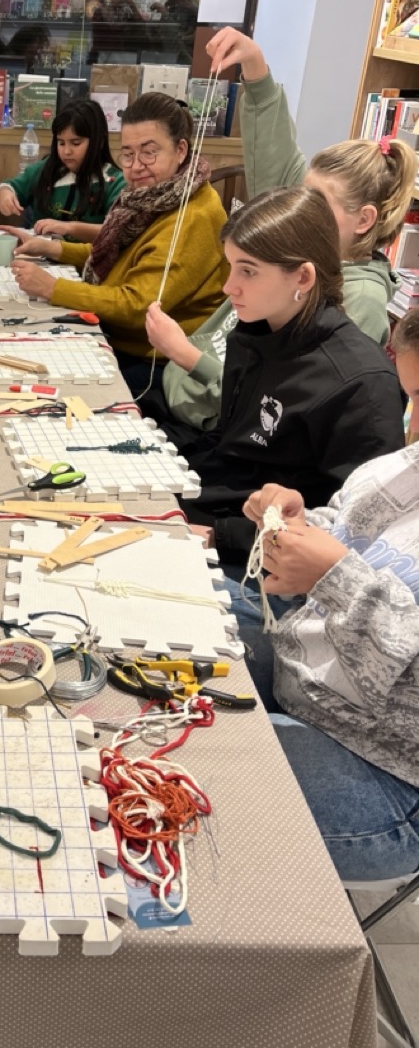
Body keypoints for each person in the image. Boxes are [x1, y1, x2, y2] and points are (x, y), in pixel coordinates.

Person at [145, 29, 418, 439]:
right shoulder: (307, 241)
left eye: (316, 202)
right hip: (177, 402)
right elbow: (276, 154)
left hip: (214, 435)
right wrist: (254, 66)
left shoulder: (359, 298)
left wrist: (184, 354)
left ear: (362, 220)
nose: (298, 208)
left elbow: (283, 404)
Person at [226, 309, 419, 881]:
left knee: (191, 775)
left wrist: (334, 575)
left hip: (388, 769)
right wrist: (296, 523)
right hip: (312, 678)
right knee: (170, 625)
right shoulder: (404, 468)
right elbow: (355, 530)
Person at [179, 186, 405, 567]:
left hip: (260, 560)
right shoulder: (256, 332)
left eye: (247, 270)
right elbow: (232, 443)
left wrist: (221, 537)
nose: (228, 286)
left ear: (302, 277)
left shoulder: (362, 386)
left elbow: (353, 534)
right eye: (231, 266)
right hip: (214, 511)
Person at [8, 92, 228, 393]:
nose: (136, 166)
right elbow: (120, 253)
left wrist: (52, 287)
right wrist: (53, 247)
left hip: (160, 367)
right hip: (124, 342)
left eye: (149, 152)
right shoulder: (157, 196)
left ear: (180, 150)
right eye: (128, 153)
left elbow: (138, 305)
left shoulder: (194, 215)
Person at [0, 99, 125, 233]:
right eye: (61, 143)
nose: (67, 151)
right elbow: (8, 186)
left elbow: (116, 232)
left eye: (76, 143)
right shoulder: (46, 170)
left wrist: (69, 228)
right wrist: (4, 195)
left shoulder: (114, 182)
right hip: (37, 252)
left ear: (99, 142)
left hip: (87, 254)